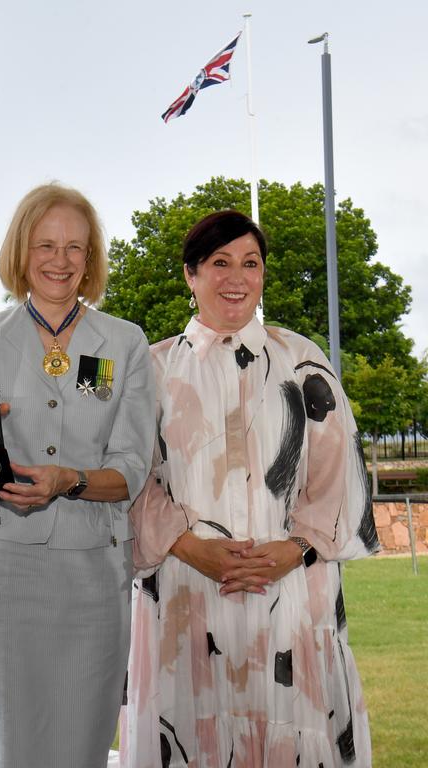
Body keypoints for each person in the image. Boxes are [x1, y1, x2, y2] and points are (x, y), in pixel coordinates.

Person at [121, 210, 379, 767]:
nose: (236, 276)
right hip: (187, 595)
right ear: (190, 275)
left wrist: (293, 549)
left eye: (250, 263)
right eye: (219, 262)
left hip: (291, 598)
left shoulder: (303, 362)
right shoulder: (150, 370)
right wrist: (190, 547)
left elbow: (338, 476)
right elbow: (129, 479)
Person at [0, 183, 156, 767]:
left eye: (75, 247)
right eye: (46, 244)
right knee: (9, 741)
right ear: (21, 252)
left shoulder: (124, 344)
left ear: (91, 258)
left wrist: (69, 479)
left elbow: (131, 468)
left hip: (93, 571)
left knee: (82, 744)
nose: (60, 260)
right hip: (5, 569)